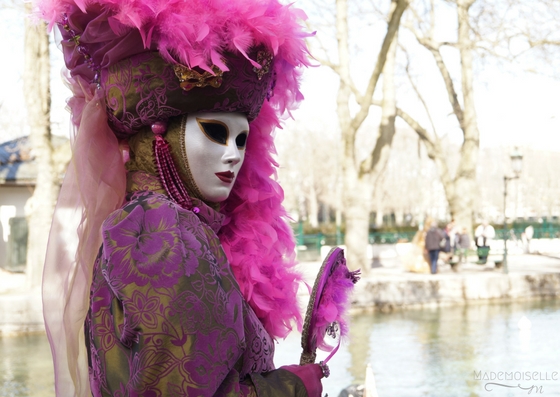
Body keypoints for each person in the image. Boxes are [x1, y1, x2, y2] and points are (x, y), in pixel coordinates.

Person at [38, 0, 326, 395]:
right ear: (161, 132)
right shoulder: (160, 230)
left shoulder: (145, 221)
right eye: (215, 132)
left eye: (242, 139)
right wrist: (294, 387)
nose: (233, 154)